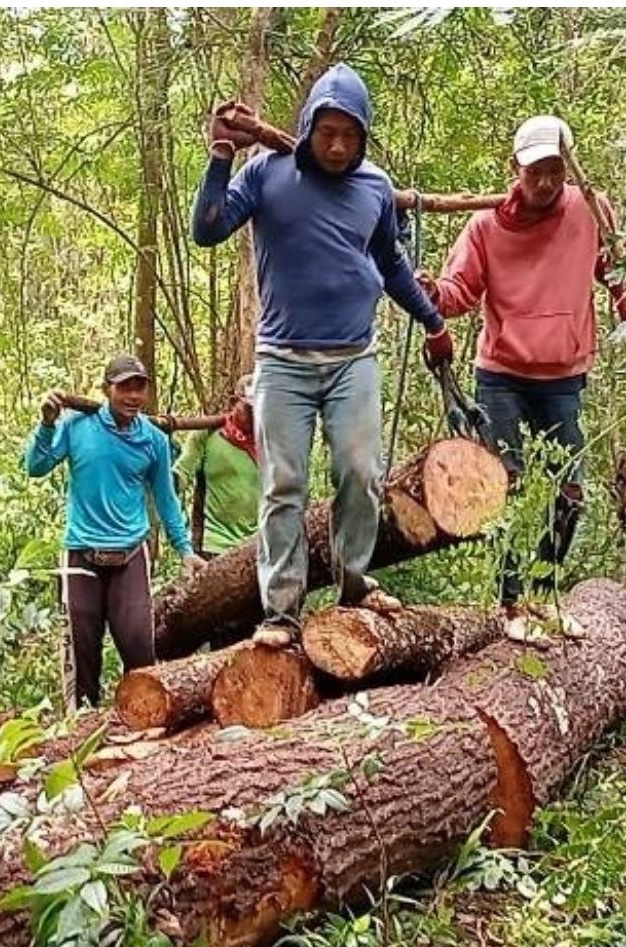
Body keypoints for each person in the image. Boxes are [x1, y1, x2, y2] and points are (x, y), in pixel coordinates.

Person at [191, 63, 454, 649]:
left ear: (363, 136)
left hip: (353, 358)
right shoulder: (267, 173)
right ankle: (280, 612)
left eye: (350, 135)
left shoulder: (375, 189)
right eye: (327, 131)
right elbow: (207, 229)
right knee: (283, 484)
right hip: (283, 360)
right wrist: (219, 155)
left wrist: (433, 321)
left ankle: (354, 582)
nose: (337, 145)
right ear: (308, 126)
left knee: (360, 473)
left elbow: (391, 266)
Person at [415, 115, 626, 627]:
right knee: (503, 485)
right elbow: (459, 293)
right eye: (534, 172)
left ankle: (544, 590)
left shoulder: (591, 210)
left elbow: (623, 281)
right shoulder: (485, 224)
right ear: (514, 170)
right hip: (501, 372)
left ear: (568, 168)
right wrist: (431, 294)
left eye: (555, 171)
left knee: (569, 491)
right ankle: (509, 599)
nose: (544, 182)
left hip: (563, 374)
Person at [24, 355, 205, 709]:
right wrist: (47, 425)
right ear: (108, 389)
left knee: (139, 647)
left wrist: (184, 549)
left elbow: (165, 498)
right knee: (83, 653)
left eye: (139, 387)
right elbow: (36, 466)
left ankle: (142, 725)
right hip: (81, 555)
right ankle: (83, 735)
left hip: (130, 556)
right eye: (124, 387)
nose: (133, 396)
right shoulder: (78, 426)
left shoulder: (153, 440)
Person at [174, 373, 259, 560]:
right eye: (249, 409)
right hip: (213, 544)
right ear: (233, 403)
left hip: (257, 546)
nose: (255, 416)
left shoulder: (270, 445)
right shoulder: (206, 435)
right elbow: (180, 476)